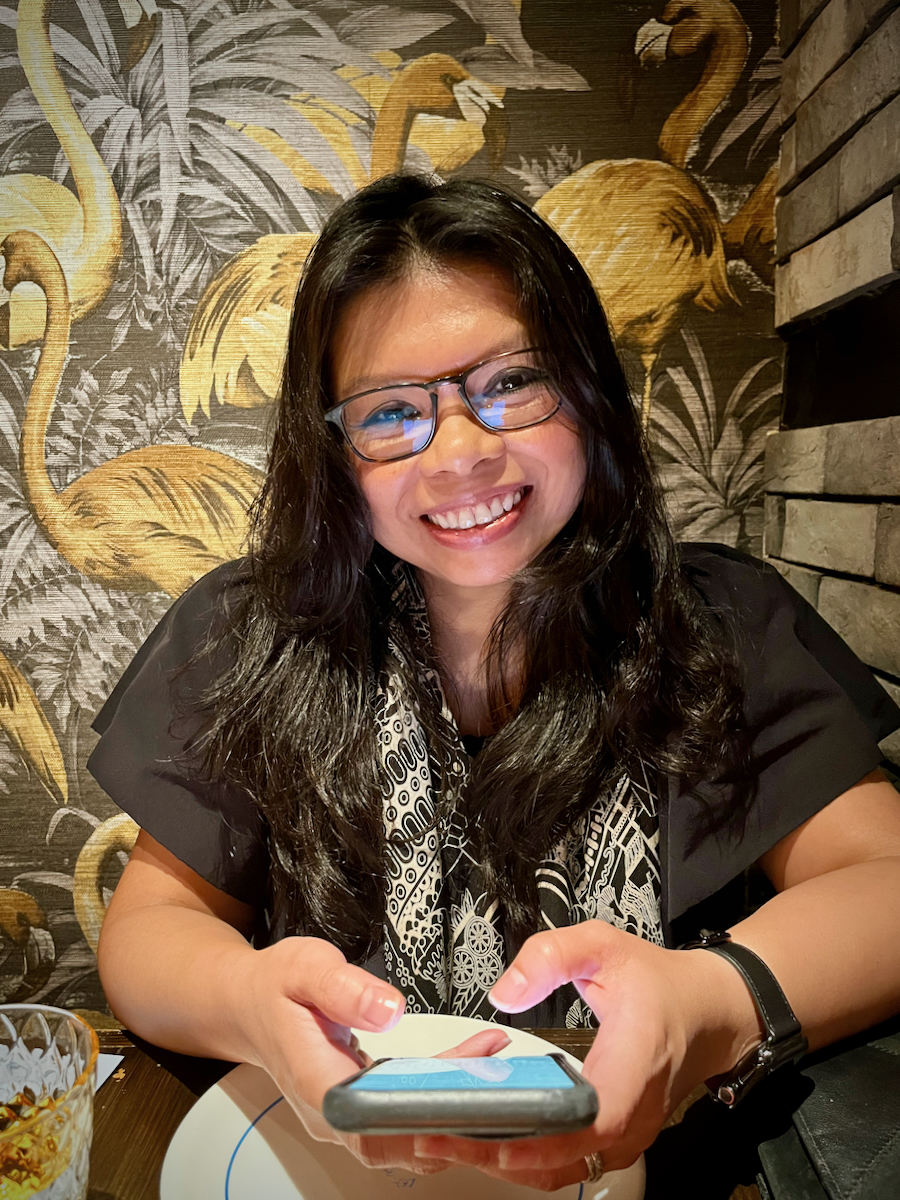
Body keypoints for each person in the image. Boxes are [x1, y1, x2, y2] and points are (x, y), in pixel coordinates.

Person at [92, 173, 900, 1190]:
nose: (462, 454)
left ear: (589, 390)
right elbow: (150, 932)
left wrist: (711, 1001)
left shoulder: (720, 626)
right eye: (392, 411)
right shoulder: (251, 634)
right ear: (334, 451)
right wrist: (247, 1002)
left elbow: (885, 881)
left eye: (512, 382)